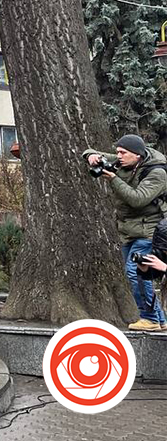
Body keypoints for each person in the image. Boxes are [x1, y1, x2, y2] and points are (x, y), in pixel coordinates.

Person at [84, 134, 167, 331]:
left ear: (137, 155)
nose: (118, 156)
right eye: (117, 152)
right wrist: (91, 156)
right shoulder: (125, 160)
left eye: (123, 152)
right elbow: (89, 152)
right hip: (129, 231)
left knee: (136, 271)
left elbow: (137, 199)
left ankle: (150, 318)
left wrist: (112, 178)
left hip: (150, 231)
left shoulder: (157, 173)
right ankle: (159, 318)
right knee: (135, 272)